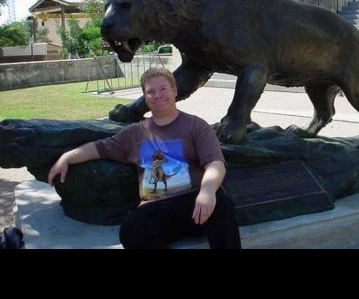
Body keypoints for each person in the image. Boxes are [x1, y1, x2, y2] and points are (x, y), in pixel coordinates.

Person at [48, 67, 241, 249]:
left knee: (223, 205)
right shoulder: (134, 133)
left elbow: (215, 163)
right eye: (151, 92)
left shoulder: (196, 126)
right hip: (157, 208)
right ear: (145, 97)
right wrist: (67, 157)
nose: (157, 95)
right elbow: (99, 148)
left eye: (163, 89)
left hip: (195, 202)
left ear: (174, 90)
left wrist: (207, 191)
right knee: (132, 229)